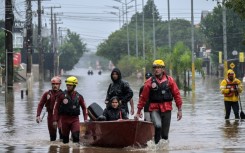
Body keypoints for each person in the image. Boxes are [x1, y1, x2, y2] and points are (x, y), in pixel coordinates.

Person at [134, 59, 183, 144]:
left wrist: (179, 110)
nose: (156, 69)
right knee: (158, 126)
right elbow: (143, 98)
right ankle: (156, 147)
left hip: (167, 109)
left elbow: (177, 94)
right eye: (155, 68)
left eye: (158, 67)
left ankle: (162, 149)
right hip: (154, 109)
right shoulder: (149, 82)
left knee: (165, 135)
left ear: (163, 69)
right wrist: (138, 112)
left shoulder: (170, 80)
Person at [53, 76, 88, 144]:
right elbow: (56, 108)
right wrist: (55, 120)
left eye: (70, 85)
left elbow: (84, 108)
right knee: (65, 141)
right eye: (67, 85)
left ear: (74, 86)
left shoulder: (79, 97)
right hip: (64, 120)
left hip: (74, 119)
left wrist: (85, 119)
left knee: (76, 137)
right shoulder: (61, 96)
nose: (68, 86)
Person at [36, 76, 63, 141]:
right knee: (52, 137)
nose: (55, 85)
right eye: (53, 84)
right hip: (50, 116)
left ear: (59, 85)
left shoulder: (63, 94)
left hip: (60, 116)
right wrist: (38, 115)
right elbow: (40, 105)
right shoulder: (47, 94)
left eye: (57, 84)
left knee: (61, 131)